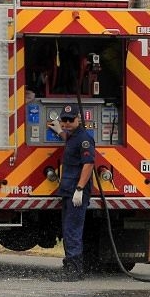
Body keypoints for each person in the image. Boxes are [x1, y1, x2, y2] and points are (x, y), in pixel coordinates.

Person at [47, 103, 94, 281]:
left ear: (78, 119)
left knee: (73, 230)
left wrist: (80, 189)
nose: (66, 123)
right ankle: (70, 267)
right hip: (68, 191)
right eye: (63, 120)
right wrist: (59, 131)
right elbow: (68, 139)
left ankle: (74, 270)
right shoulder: (73, 137)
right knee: (68, 230)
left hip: (76, 191)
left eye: (70, 120)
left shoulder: (84, 139)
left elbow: (88, 164)